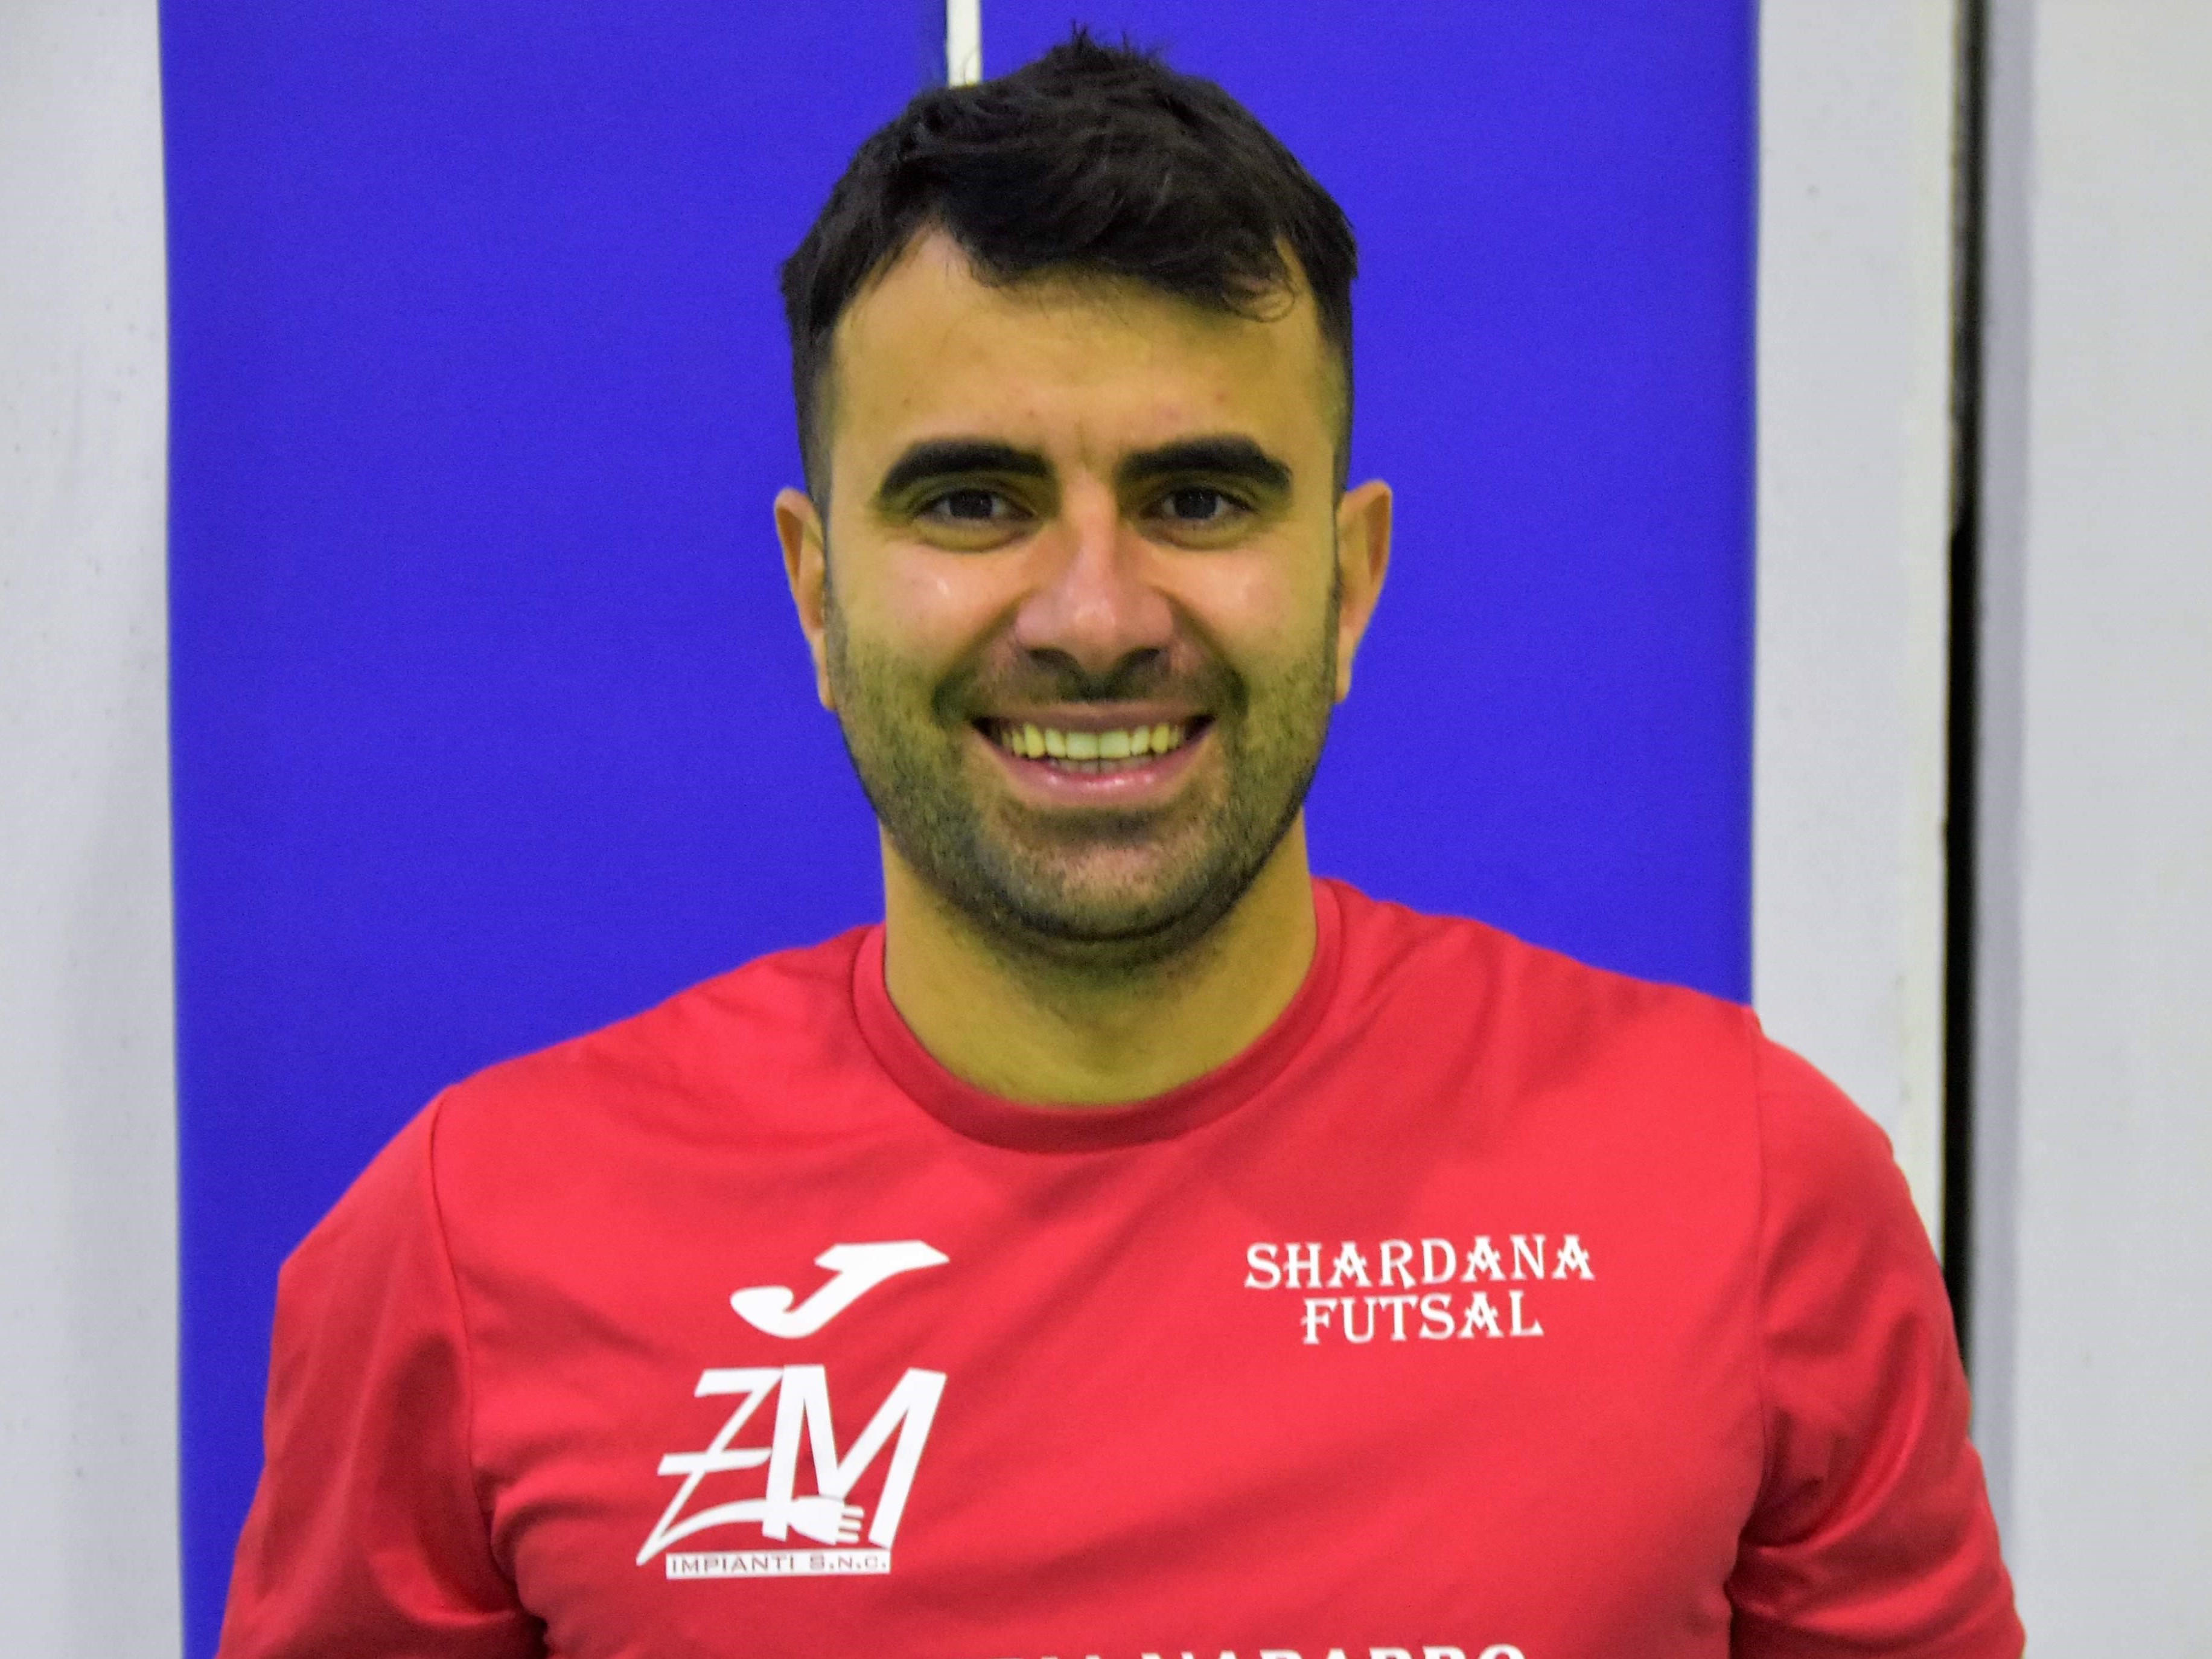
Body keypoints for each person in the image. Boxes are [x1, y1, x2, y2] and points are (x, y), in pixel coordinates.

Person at [218, 33, 2023, 1659]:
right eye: (973, 499)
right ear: (816, 587)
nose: (1094, 613)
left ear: (1349, 578)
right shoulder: (476, 1243)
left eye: (1198, 498)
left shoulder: (1741, 1187)